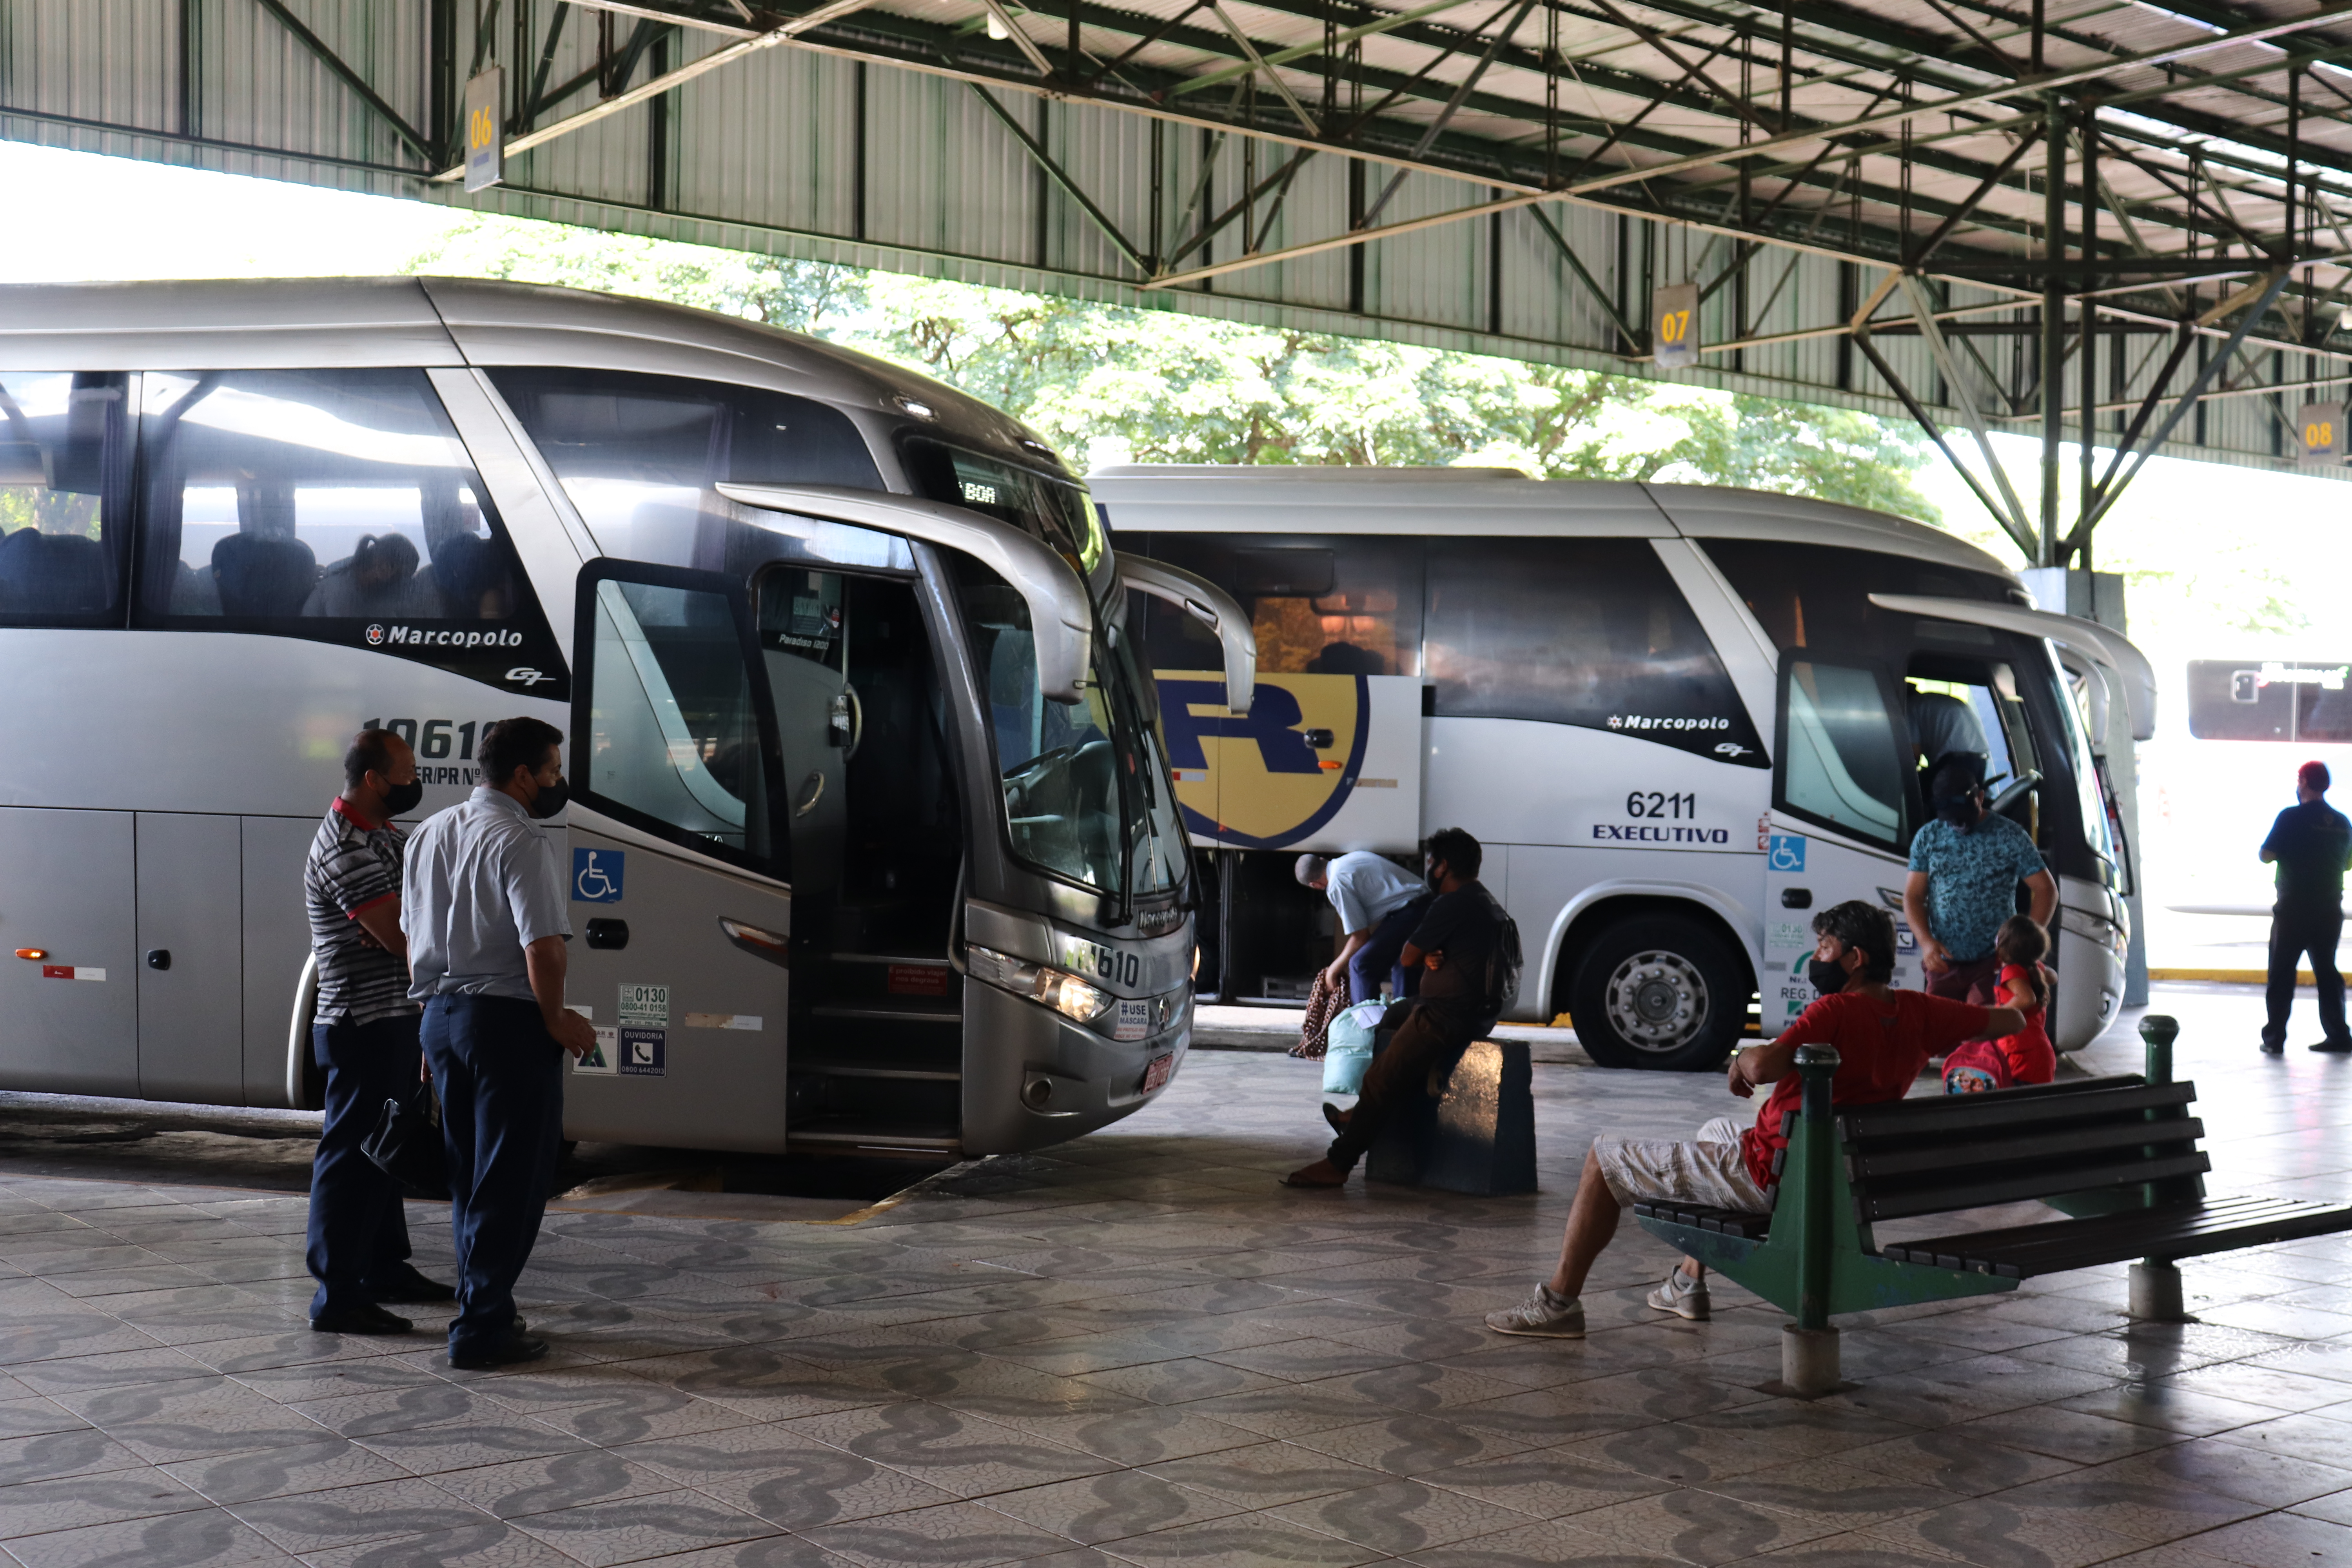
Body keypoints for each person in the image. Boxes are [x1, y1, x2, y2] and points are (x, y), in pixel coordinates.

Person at [1485, 901, 2022, 1336]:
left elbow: (1763, 1064)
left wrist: (1743, 1059)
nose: (1818, 957)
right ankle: (1686, 1285)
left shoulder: (1833, 1011)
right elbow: (2010, 1018)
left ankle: (1558, 1303)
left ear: (1854, 958)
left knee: (1603, 1159)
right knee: (1715, 1131)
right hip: (1838, 1176)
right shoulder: (1920, 1011)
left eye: (1825, 947)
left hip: (1774, 1176)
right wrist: (2025, 985)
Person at [402, 717, 597, 1368]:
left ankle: (485, 1306)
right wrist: (554, 1019)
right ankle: (483, 1326)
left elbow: (414, 942)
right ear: (523, 776)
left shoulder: (429, 834)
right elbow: (541, 946)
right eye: (553, 770)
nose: (557, 781)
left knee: (470, 1173)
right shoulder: (519, 839)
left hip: (443, 1018)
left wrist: (433, 1034)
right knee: (512, 1177)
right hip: (505, 1024)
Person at [302, 728, 455, 1336]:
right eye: (407, 773)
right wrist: (399, 927)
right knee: (350, 1157)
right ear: (373, 779)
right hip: (361, 1022)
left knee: (385, 1147)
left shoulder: (384, 837)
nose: (414, 784)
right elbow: (403, 938)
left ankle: (384, 1268)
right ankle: (337, 1295)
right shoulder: (344, 848)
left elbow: (421, 913)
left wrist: (403, 924)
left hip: (393, 1015)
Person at [1284, 828, 1504, 1189]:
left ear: (1442, 867)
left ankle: (1339, 1163)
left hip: (1446, 1015)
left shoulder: (1450, 904)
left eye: (1431, 863)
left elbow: (1408, 955)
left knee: (1379, 1078)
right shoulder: (1482, 899)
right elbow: (1434, 953)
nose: (1429, 870)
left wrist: (1424, 953)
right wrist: (1431, 955)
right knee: (1391, 1017)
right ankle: (1360, 1117)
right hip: (1458, 1006)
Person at [1903, 752, 2057, 1006]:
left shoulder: (2009, 836)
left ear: (1981, 798)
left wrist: (2022, 949)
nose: (1958, 823)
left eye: (1964, 814)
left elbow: (2045, 890)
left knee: (1983, 1035)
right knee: (1939, 1035)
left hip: (1993, 964)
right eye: (1951, 817)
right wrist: (1927, 942)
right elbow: (1913, 895)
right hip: (1943, 962)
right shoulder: (1928, 836)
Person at [2260, 760, 2352, 1054]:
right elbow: (2349, 863)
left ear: (2302, 782)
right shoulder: (2342, 822)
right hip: (2329, 910)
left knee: (2282, 973)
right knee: (2327, 972)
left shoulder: (2290, 817)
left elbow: (2266, 854)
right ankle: (2339, 1035)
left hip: (2293, 910)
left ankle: (2275, 1040)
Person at [1296, 850, 1430, 1005]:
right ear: (1322, 859)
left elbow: (1361, 937)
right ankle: (1405, 1022)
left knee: (1361, 965)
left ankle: (1366, 1026)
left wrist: (1333, 970)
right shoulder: (1353, 857)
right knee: (1404, 965)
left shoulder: (1337, 884)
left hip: (1410, 913)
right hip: (1424, 906)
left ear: (1315, 885)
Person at [1943, 915, 2057, 1093]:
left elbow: (2027, 998)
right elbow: (2053, 976)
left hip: (2022, 1055)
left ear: (2002, 945)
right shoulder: (2034, 969)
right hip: (2035, 1053)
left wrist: (1996, 1017)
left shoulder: (2011, 971)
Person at [1906, 690, 1989, 771]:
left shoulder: (1911, 707)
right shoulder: (1930, 701)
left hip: (1954, 762)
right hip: (1980, 759)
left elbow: (1913, 756)